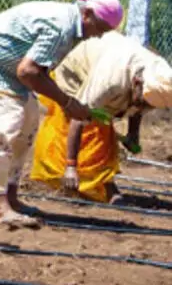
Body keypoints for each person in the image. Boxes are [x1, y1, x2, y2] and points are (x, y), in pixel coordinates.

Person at [0, 0, 122, 227]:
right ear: (87, 14)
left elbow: (36, 69)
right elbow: (28, 72)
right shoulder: (61, 25)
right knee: (6, 125)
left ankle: (12, 198)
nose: (98, 35)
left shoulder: (75, 26)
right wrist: (67, 102)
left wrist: (66, 100)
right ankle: (1, 208)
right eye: (99, 28)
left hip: (6, 71)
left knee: (29, 119)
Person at [30, 31, 172, 204]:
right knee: (81, 130)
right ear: (136, 83)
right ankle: (70, 179)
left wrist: (133, 134)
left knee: (103, 134)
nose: (144, 107)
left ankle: (103, 184)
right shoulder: (109, 81)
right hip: (77, 74)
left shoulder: (159, 77)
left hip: (109, 75)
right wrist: (71, 166)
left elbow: (137, 107)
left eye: (148, 106)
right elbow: (78, 118)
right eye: (143, 102)